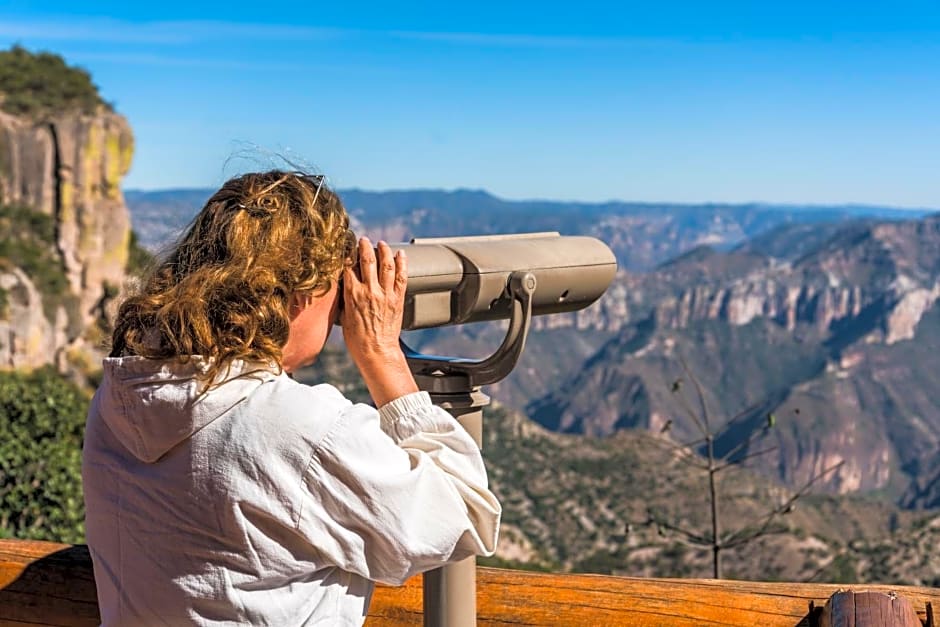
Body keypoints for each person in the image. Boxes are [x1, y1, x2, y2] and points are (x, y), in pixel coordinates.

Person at [82, 170, 501, 625]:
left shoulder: (121, 397)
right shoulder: (299, 428)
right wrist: (381, 352)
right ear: (303, 295)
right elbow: (463, 515)